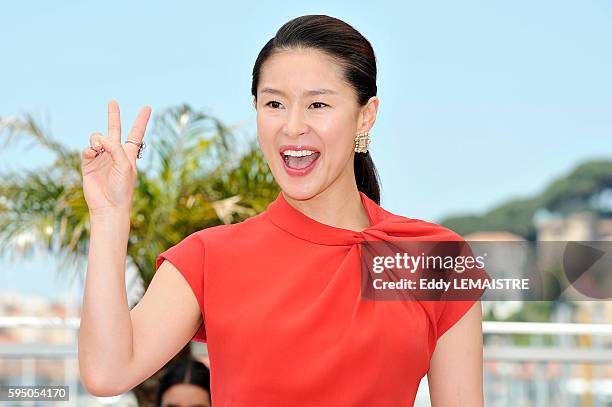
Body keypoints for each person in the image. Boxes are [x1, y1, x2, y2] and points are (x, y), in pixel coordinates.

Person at [78, 14, 485, 406]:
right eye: (274, 104)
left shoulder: (433, 260)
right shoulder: (209, 257)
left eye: (318, 105)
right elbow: (107, 372)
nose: (293, 127)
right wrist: (109, 216)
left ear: (365, 116)